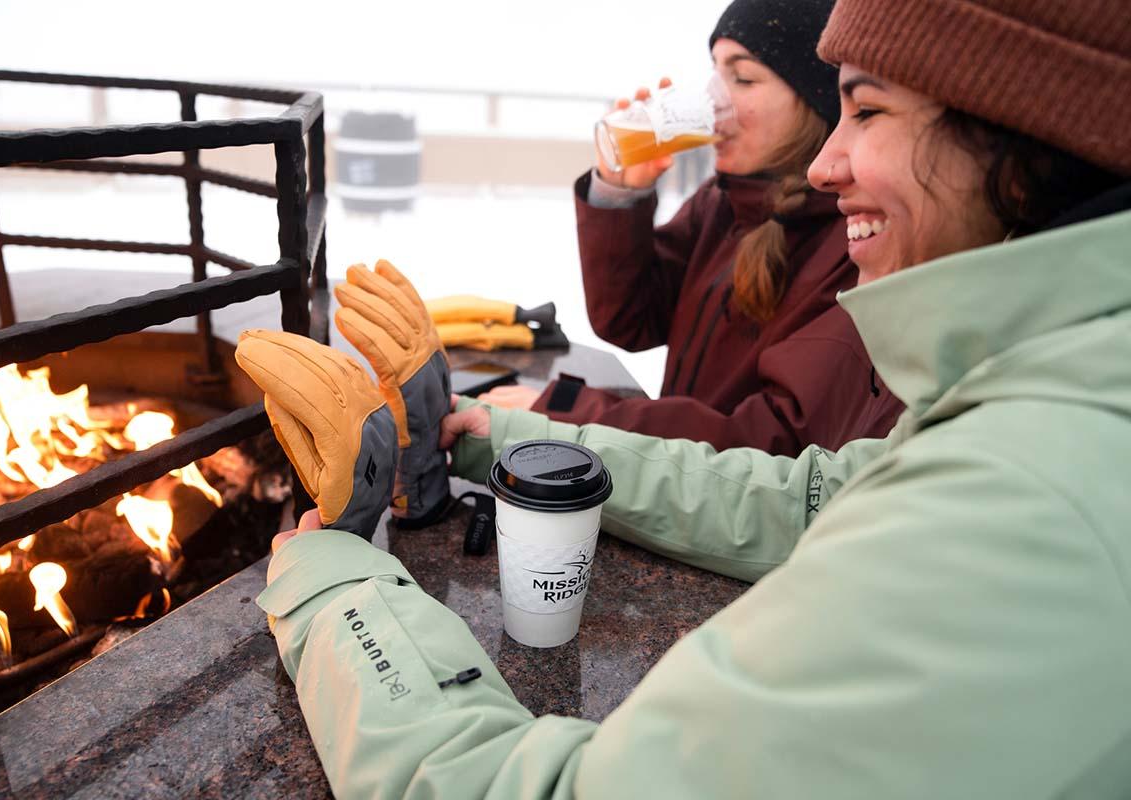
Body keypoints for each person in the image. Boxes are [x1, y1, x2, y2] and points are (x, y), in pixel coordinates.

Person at [252, 0, 1131, 795]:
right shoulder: (1045, 401)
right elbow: (802, 499)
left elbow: (777, 445)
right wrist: (509, 437)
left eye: (867, 106)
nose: (831, 163)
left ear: (1022, 141)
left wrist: (338, 603)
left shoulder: (1018, 506)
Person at [480, 0, 903, 456]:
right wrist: (621, 196)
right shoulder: (724, 200)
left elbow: (771, 441)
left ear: (814, 99)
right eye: (715, 76)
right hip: (677, 482)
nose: (714, 102)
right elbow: (632, 319)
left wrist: (567, 411)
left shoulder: (859, 239)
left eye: (742, 78)